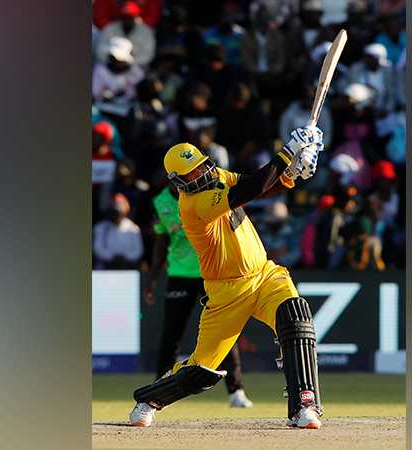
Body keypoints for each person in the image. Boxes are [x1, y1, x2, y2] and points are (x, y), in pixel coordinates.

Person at [129, 125, 325, 429]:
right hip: (226, 292)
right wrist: (288, 152)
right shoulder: (192, 205)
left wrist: (293, 173)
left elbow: (260, 186)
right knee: (201, 371)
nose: (201, 175)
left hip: (264, 275)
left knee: (295, 317)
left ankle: (304, 406)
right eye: (191, 174)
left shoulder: (217, 175)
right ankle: (148, 399)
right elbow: (251, 190)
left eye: (201, 167)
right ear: (179, 182)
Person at [146, 183, 253, 408]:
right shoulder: (160, 202)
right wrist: (152, 278)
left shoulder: (205, 196)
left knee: (223, 331)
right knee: (171, 334)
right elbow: (161, 240)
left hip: (212, 274)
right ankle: (158, 391)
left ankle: (236, 391)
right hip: (179, 274)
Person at [95, 1, 156, 67]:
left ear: (136, 18)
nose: (127, 20)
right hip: (110, 66)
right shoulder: (110, 28)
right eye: (125, 17)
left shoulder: (145, 31)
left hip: (136, 67)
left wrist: (128, 62)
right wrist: (114, 61)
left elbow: (148, 55)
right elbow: (100, 51)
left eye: (130, 18)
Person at [93, 193, 144, 269]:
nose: (116, 214)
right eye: (114, 211)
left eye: (119, 211)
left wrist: (124, 258)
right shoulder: (100, 227)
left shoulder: (133, 228)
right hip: (105, 267)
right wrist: (112, 257)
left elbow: (138, 251)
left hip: (127, 267)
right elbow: (98, 248)